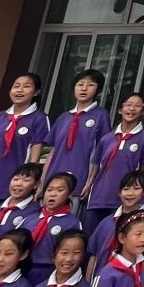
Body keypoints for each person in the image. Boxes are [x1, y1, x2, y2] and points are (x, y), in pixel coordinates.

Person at [0, 73, 52, 205]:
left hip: (15, 187)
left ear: (36, 92)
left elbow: (34, 159)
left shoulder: (39, 119)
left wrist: (30, 185)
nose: (20, 90)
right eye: (16, 86)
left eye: (26, 86)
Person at [84, 91, 144, 224]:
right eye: (128, 105)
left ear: (143, 112)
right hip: (99, 197)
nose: (132, 109)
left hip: (125, 199)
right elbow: (96, 165)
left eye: (137, 106)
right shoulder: (107, 138)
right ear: (120, 110)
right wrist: (88, 185)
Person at [46, 69, 110, 203]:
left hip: (80, 182)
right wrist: (43, 181)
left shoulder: (101, 116)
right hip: (53, 181)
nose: (84, 88)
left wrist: (91, 182)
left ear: (98, 90)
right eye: (80, 84)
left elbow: (101, 152)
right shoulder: (64, 117)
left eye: (90, 85)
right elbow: (53, 151)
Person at [0, 163, 44, 266]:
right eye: (16, 179)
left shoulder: (35, 212)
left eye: (26, 180)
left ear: (36, 185)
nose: (18, 184)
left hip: (10, 264)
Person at [27, 170, 84, 276]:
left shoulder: (72, 224)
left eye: (60, 190)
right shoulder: (29, 219)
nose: (53, 194)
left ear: (69, 194)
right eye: (49, 190)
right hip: (25, 270)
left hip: (52, 272)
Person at [87, 170, 144, 265]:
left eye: (136, 188)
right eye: (126, 189)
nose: (130, 193)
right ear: (119, 193)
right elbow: (93, 255)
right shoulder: (107, 222)